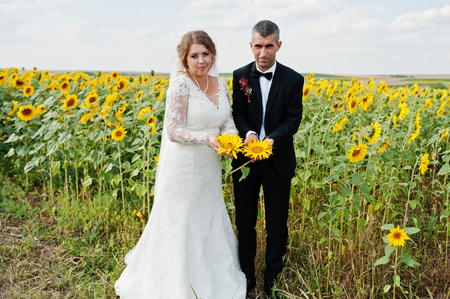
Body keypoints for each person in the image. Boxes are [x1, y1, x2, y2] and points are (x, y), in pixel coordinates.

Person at [115, 30, 246, 299]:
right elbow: (173, 131)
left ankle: (213, 272)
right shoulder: (180, 84)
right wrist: (207, 138)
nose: (201, 61)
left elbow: (226, 120)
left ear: (213, 54)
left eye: (205, 54)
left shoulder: (219, 84)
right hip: (184, 167)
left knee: (208, 213)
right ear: (185, 60)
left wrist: (231, 137)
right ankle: (177, 279)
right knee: (182, 219)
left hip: (208, 167)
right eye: (194, 55)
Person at [232, 20, 304, 297]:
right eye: (258, 46)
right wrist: (248, 132)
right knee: (245, 223)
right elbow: (238, 113)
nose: (264, 52)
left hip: (278, 161)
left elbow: (293, 119)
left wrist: (272, 138)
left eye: (269, 46)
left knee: (277, 225)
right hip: (246, 160)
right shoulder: (240, 76)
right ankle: (247, 280)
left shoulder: (293, 79)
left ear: (278, 45)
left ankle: (271, 280)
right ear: (251, 46)